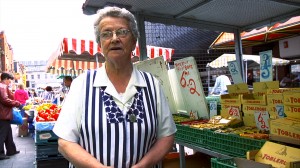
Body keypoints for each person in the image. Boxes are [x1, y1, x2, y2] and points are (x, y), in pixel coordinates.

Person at [53, 6, 176, 168]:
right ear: (100, 44)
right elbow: (65, 142)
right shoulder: (82, 84)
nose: (115, 38)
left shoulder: (152, 84)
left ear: (134, 42)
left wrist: (144, 165)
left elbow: (166, 135)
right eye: (106, 34)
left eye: (122, 32)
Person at [0, 72, 22, 160]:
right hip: (3, 115)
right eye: (10, 80)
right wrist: (16, 103)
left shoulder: (2, 87)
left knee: (8, 133)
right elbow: (5, 100)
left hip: (3, 114)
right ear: (5, 79)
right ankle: (0, 154)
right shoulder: (2, 87)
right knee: (2, 134)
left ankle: (11, 150)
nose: (10, 82)